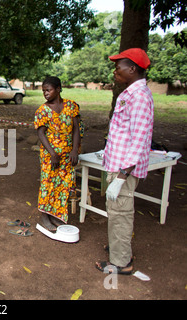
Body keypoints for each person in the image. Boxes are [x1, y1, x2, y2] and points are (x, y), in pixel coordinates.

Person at [95, 48, 153, 275]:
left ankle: (121, 263)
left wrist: (121, 177)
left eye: (119, 67)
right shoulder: (131, 93)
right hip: (119, 165)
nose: (115, 71)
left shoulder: (139, 97)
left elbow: (139, 140)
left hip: (124, 170)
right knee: (117, 210)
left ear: (132, 68)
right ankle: (120, 249)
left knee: (120, 213)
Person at [34, 76, 81, 232]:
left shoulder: (71, 106)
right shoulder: (42, 111)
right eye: (43, 91)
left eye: (48, 90)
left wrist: (75, 150)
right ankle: (44, 216)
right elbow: (41, 134)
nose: (45, 93)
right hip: (50, 154)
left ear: (59, 89)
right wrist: (53, 154)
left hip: (68, 154)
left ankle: (56, 215)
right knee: (47, 183)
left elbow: (76, 129)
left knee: (62, 184)